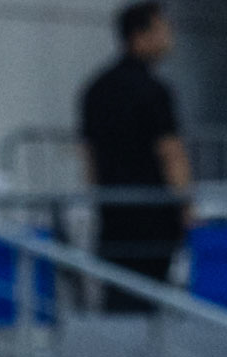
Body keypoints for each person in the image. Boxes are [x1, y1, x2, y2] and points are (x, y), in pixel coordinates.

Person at [80, 3, 190, 310]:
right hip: (154, 214)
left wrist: (97, 200)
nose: (169, 38)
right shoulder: (154, 90)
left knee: (118, 298)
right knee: (151, 299)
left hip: (113, 212)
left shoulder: (96, 89)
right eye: (162, 30)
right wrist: (187, 206)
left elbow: (88, 155)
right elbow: (171, 153)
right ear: (139, 35)